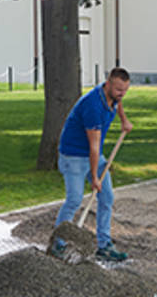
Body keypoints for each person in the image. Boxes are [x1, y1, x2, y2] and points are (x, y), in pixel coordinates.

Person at [52, 67, 134, 261]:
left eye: (125, 90)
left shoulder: (113, 96)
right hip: (73, 155)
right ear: (108, 84)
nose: (121, 94)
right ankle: (57, 244)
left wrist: (124, 120)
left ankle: (104, 245)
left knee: (107, 197)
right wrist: (95, 178)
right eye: (118, 90)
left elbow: (118, 102)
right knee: (74, 199)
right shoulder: (93, 106)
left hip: (92, 154)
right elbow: (94, 147)